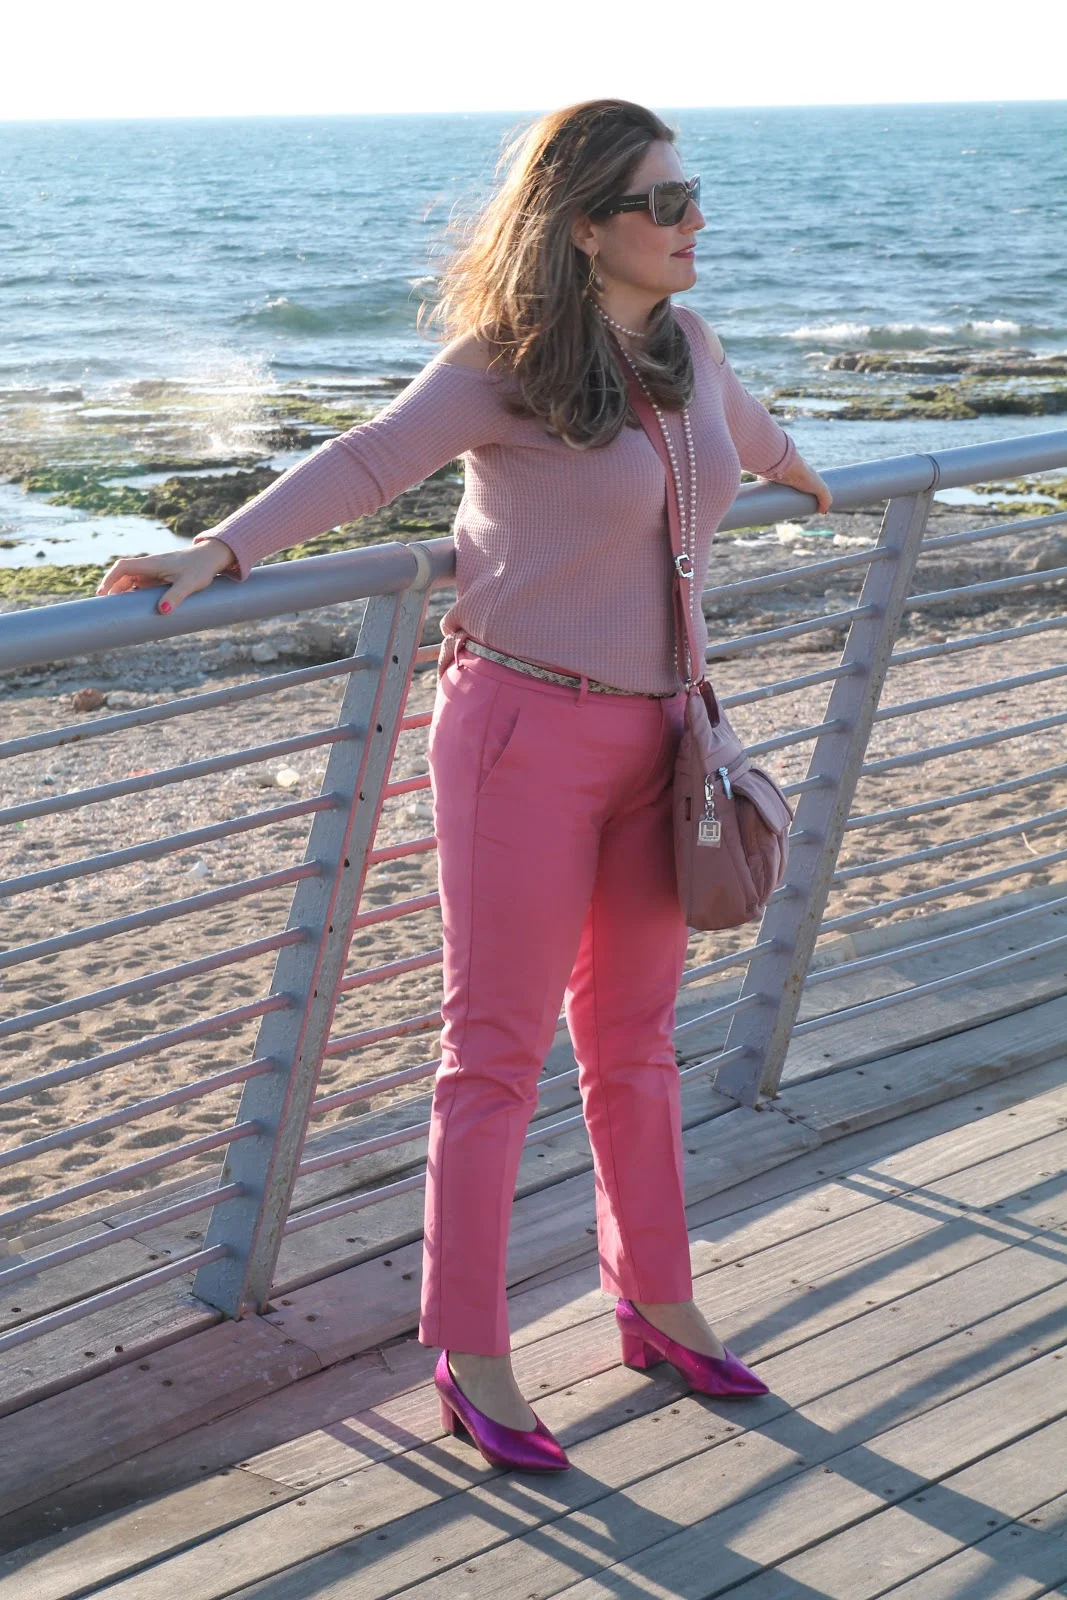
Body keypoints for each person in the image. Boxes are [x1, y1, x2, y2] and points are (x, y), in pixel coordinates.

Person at [96, 98, 831, 1474]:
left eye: (693, 194)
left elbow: (749, 434)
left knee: (636, 1041)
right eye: (665, 202)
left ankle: (657, 1301)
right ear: (585, 226)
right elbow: (369, 461)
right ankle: (472, 1352)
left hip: (666, 744)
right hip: (519, 738)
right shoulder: (507, 362)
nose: (695, 221)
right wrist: (219, 550)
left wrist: (808, 474)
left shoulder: (688, 347)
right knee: (493, 1051)